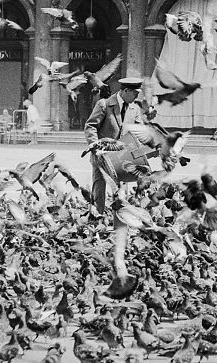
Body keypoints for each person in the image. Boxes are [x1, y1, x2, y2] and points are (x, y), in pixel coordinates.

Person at [83, 77, 157, 297]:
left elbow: (139, 131)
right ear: (124, 91)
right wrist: (94, 145)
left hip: (122, 156)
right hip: (102, 153)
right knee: (100, 185)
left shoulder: (134, 109)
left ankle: (117, 221)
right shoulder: (105, 104)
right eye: (134, 93)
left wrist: (151, 145)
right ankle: (97, 216)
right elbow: (91, 126)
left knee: (121, 189)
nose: (136, 97)